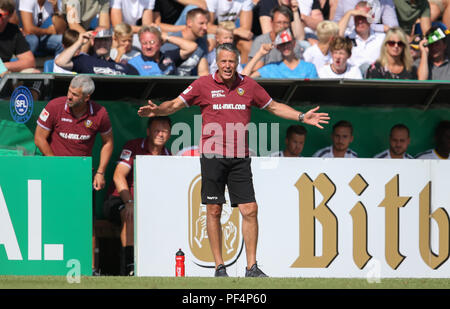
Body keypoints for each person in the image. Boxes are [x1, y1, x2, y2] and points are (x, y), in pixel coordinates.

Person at [137, 43, 330, 277]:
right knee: (214, 210)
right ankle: (220, 267)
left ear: (237, 62)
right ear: (216, 62)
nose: (227, 66)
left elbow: (275, 107)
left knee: (250, 209)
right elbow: (175, 105)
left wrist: (301, 116)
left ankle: (252, 267)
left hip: (240, 157)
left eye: (232, 61)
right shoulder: (202, 84)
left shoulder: (248, 85)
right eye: (223, 61)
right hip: (212, 156)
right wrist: (157, 111)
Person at [34, 75, 114, 275]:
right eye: (69, 91)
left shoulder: (100, 114)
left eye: (75, 94)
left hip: (82, 174)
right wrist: (57, 165)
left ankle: (91, 269)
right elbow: (39, 138)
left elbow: (108, 142)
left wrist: (101, 172)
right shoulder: (54, 106)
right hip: (55, 173)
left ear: (87, 97)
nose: (69, 96)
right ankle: (48, 265)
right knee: (50, 218)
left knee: (86, 223)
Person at [104, 116, 171, 276]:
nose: (161, 134)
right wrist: (130, 202)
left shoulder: (169, 155)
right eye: (157, 130)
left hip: (149, 206)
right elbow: (118, 176)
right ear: (148, 132)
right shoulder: (133, 147)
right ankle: (129, 268)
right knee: (131, 215)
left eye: (165, 131)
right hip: (119, 200)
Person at [55, 29, 139, 75]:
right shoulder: (84, 60)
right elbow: (60, 62)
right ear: (92, 42)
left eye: (105, 40)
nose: (102, 43)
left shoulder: (123, 67)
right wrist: (79, 42)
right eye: (98, 40)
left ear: (111, 42)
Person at [248, 4, 304, 74]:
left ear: (290, 24)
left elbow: (298, 68)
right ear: (271, 23)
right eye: (279, 22)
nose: (282, 26)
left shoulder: (294, 43)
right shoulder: (261, 41)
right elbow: (255, 70)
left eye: (285, 23)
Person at [245, 28, 318, 78]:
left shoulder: (309, 68)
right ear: (277, 47)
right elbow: (243, 79)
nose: (285, 46)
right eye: (282, 44)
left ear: (294, 43)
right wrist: (260, 53)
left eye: (288, 43)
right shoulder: (271, 68)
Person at [338, 1, 386, 73]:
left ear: (371, 18)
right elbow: (336, 36)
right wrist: (349, 13)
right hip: (352, 78)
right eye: (357, 17)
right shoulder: (347, 36)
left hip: (374, 78)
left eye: (363, 17)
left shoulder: (381, 38)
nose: (360, 21)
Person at [128, 25, 197, 75]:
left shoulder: (169, 56)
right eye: (144, 43)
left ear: (160, 42)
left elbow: (192, 47)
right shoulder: (134, 63)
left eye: (152, 42)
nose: (148, 47)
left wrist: (167, 38)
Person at [160, 7, 209, 76]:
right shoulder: (171, 43)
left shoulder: (202, 41)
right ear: (189, 23)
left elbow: (203, 73)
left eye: (206, 24)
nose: (205, 27)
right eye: (201, 23)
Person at [0, 0, 36, 72]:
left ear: (9, 15)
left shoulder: (13, 31)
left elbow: (30, 62)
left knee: (34, 72)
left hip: (4, 70)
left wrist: (3, 66)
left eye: (0, 15)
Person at [333, 0, 399, 35]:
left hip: (371, 35)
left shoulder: (387, 2)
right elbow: (355, 25)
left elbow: (394, 28)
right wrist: (382, 28)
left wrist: (386, 29)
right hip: (345, 35)